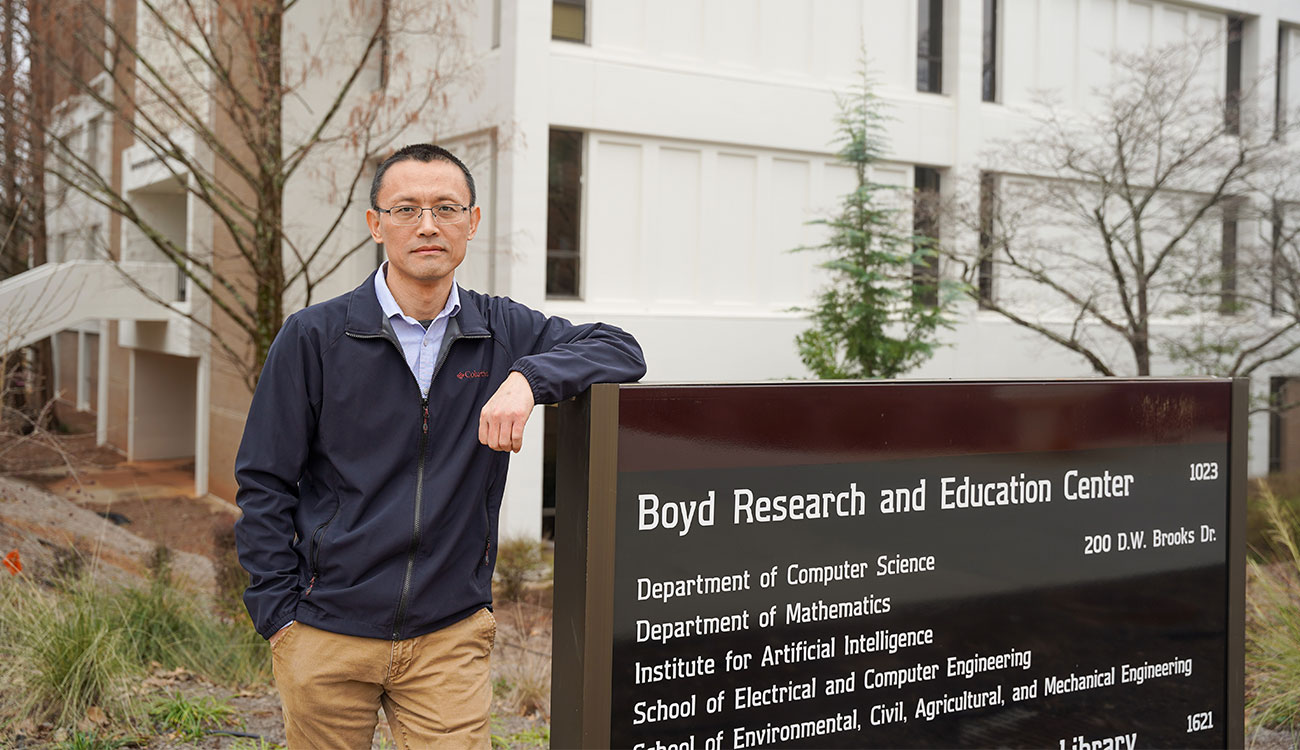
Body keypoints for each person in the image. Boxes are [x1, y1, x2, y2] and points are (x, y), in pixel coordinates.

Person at [234, 143, 645, 748]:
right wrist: (279, 616)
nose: (427, 224)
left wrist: (527, 379)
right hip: (325, 636)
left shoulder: (501, 330)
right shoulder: (315, 336)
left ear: (472, 223)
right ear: (377, 225)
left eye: (446, 207)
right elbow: (264, 481)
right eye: (406, 209)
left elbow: (621, 350)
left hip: (447, 638)